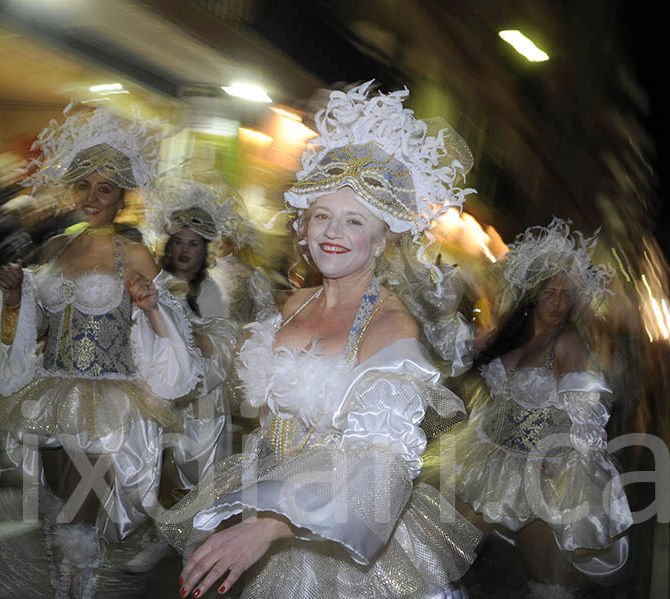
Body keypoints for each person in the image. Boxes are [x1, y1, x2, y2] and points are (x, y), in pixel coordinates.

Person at [158, 81, 482, 599]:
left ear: (382, 240)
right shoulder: (294, 304)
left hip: (340, 538)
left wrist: (266, 528)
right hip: (263, 508)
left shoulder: (392, 327)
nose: (332, 231)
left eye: (355, 221)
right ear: (304, 226)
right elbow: (262, 419)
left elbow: (382, 469)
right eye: (322, 215)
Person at [0, 104, 205, 599]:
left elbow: (164, 325)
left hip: (108, 402)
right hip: (51, 393)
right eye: (83, 184)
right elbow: (38, 327)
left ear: (121, 197)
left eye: (104, 188)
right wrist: (16, 299)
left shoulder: (135, 253)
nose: (90, 197)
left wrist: (149, 307)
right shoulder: (55, 248)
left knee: (78, 518)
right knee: (58, 511)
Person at [445, 218, 632, 597]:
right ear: (533, 294)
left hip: (535, 477)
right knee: (447, 550)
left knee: (546, 580)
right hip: (488, 461)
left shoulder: (568, 345)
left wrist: (572, 476)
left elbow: (586, 419)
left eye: (566, 294)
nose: (559, 303)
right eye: (550, 292)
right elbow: (452, 359)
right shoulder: (507, 337)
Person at [124, 167, 259, 573]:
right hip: (154, 394)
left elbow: (217, 345)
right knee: (155, 470)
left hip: (200, 398)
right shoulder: (157, 281)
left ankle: (193, 551)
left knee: (196, 477)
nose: (185, 250)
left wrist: (180, 332)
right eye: (179, 242)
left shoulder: (214, 290)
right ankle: (159, 536)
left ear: (206, 251)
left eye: (194, 244)